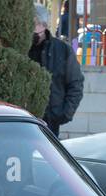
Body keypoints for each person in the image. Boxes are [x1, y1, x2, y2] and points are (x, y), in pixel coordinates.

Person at [29, 3, 84, 138]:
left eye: (34, 23)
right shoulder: (21, 46)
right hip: (24, 117)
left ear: (44, 25)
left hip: (51, 120)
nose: (31, 28)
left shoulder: (62, 50)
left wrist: (64, 114)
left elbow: (75, 84)